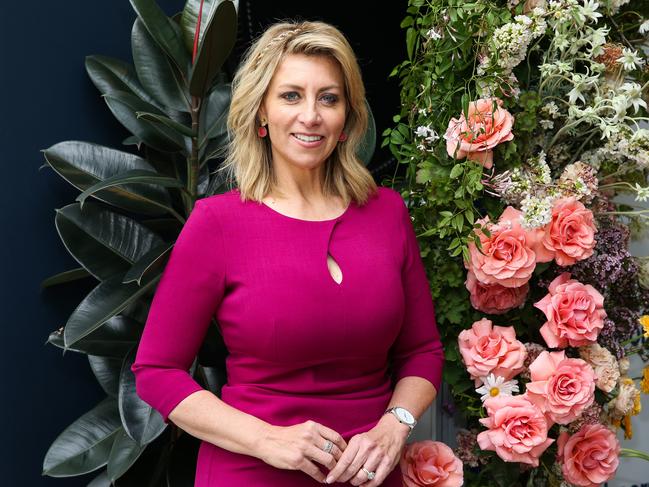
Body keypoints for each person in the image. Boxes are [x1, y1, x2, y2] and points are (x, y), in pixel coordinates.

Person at [131, 20, 444, 487]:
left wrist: (393, 425)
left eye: (329, 98)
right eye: (291, 96)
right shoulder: (218, 223)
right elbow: (157, 372)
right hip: (251, 472)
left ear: (347, 118)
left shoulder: (387, 213)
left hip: (371, 475)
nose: (311, 116)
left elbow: (422, 351)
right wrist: (267, 440)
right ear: (261, 113)